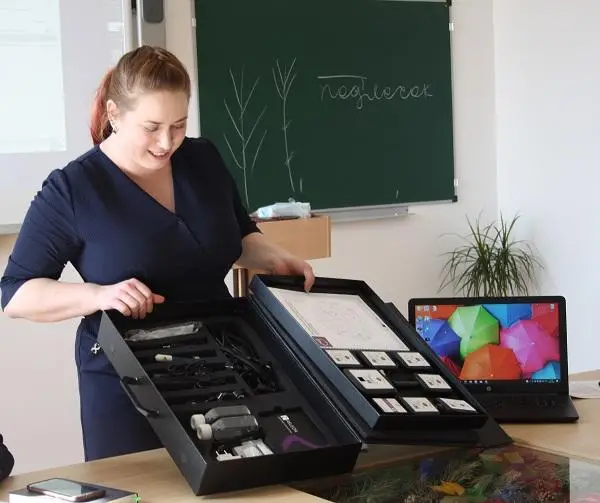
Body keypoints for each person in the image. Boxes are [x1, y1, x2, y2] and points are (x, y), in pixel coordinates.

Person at [0, 45, 314, 462]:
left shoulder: (202, 158)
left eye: (178, 125)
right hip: (128, 379)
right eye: (151, 127)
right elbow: (16, 294)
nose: (166, 142)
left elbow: (237, 235)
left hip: (223, 361)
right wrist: (98, 295)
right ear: (114, 114)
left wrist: (276, 259)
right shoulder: (72, 189)